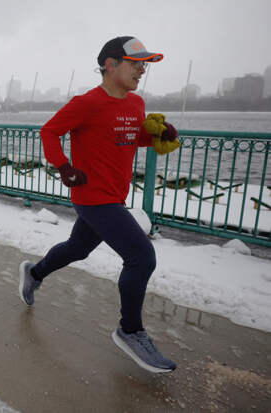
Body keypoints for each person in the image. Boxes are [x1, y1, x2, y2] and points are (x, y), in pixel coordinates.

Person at [18, 36, 180, 373]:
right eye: (135, 62)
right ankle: (130, 330)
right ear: (110, 64)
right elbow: (49, 131)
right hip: (92, 195)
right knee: (140, 257)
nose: (142, 69)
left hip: (114, 193)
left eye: (144, 64)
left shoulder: (136, 104)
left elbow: (131, 136)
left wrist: (158, 135)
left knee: (78, 248)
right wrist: (64, 167)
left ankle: (34, 273)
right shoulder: (86, 103)